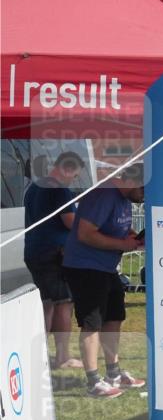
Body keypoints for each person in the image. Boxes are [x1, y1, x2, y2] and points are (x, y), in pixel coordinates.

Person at [61, 164, 146, 398]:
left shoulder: (124, 198)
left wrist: (130, 236)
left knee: (114, 318)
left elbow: (118, 226)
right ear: (132, 181)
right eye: (144, 190)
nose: (145, 196)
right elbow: (85, 233)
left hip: (106, 268)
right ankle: (93, 381)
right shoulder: (105, 194)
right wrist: (122, 244)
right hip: (85, 267)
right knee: (92, 323)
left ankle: (114, 373)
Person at [23, 151, 85, 369]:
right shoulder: (58, 188)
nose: (74, 180)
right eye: (75, 175)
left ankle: (39, 356)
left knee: (47, 304)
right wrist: (90, 225)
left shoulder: (34, 187)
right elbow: (70, 220)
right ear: (66, 169)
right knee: (63, 303)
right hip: (54, 254)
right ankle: (63, 357)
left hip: (34, 251)